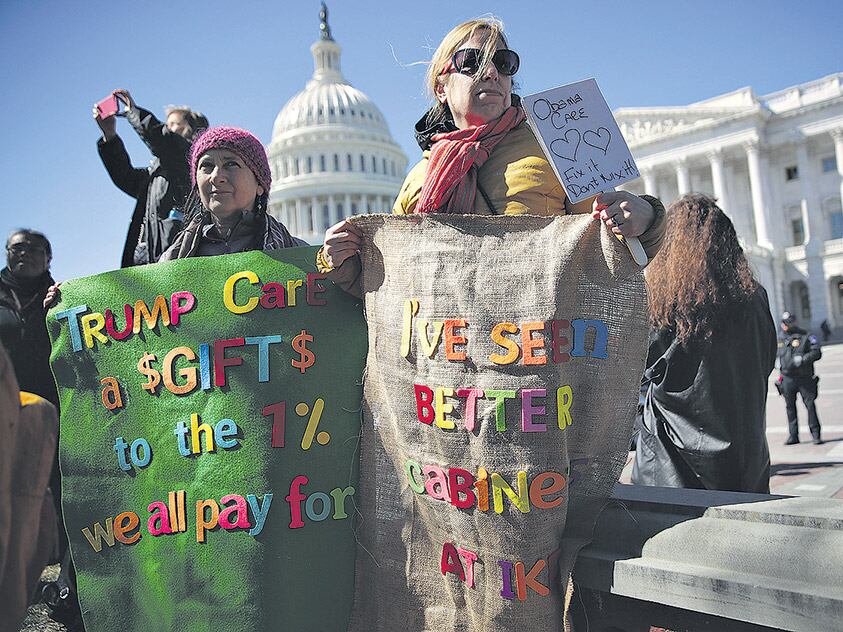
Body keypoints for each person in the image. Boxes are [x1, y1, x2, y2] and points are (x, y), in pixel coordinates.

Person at [317, 17, 666, 292]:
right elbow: (392, 281)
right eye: (471, 61)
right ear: (441, 87)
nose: (491, 72)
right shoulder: (418, 180)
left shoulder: (557, 146)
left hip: (540, 352)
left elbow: (610, 252)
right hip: (451, 363)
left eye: (503, 62)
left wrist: (645, 218)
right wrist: (345, 263)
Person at [631, 194, 777, 493]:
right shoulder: (754, 297)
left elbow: (634, 371)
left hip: (670, 459)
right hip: (746, 455)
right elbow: (767, 360)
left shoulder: (664, 301)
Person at [95, 89, 209, 266]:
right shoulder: (157, 174)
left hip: (173, 255)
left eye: (172, 124)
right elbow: (125, 177)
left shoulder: (191, 157)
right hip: (146, 255)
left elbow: (161, 139)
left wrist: (132, 110)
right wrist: (109, 136)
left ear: (192, 130)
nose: (166, 127)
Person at [158, 126, 304, 260]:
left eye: (231, 164)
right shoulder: (170, 262)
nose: (216, 176)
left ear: (260, 184)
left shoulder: (304, 258)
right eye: (207, 166)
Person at [0, 229, 58, 406]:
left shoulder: (62, 299)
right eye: (17, 248)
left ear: (48, 259)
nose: (24, 253)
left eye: (33, 249)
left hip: (50, 409)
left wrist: (58, 306)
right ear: (7, 253)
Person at [777, 311, 823, 445]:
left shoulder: (805, 336)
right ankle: (793, 435)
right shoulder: (780, 338)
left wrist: (803, 359)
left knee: (810, 406)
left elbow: (816, 352)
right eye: (784, 323)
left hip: (804, 377)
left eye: (789, 322)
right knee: (790, 408)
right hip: (787, 378)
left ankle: (815, 434)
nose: (786, 326)